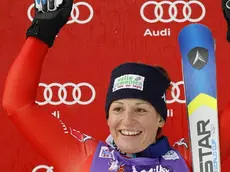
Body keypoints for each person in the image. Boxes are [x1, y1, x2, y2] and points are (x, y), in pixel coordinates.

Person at [2, 0, 230, 171]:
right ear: (108, 117)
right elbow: (17, 104)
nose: (127, 120)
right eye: (118, 109)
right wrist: (43, 28)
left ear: (161, 117)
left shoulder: (196, 154)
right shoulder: (89, 159)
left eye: (140, 109)